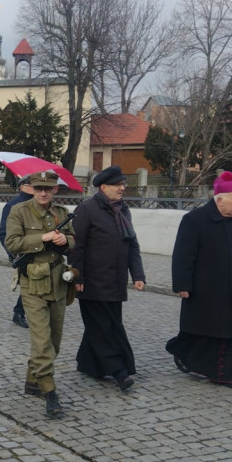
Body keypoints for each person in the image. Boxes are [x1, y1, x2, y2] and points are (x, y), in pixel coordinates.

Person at [166, 171, 232, 389]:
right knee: (201, 330)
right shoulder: (194, 220)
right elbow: (182, 255)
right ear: (220, 199)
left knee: (229, 332)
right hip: (203, 289)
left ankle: (225, 374)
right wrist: (182, 284)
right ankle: (186, 353)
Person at [3, 171, 76, 419]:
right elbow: (12, 242)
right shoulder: (20, 211)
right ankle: (50, 392)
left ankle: (32, 381)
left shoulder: (63, 214)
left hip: (58, 283)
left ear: (55, 189)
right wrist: (43, 238)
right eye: (39, 188)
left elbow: (74, 241)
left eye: (48, 188)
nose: (43, 193)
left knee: (54, 341)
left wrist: (65, 239)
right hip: (33, 283)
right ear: (31, 188)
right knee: (42, 341)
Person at [70, 165, 146, 392]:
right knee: (104, 328)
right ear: (103, 187)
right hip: (92, 281)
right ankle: (120, 372)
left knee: (104, 324)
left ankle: (87, 363)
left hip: (116, 280)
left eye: (123, 184)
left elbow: (132, 243)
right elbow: (77, 246)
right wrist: (77, 277)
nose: (122, 188)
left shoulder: (123, 210)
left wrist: (138, 274)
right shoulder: (87, 209)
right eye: (118, 185)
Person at [0, 176, 34, 329]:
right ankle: (19, 313)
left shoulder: (40, 204)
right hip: (21, 253)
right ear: (21, 187)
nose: (33, 187)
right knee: (30, 283)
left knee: (36, 282)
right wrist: (13, 254)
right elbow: (3, 232)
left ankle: (24, 312)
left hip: (38, 250)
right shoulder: (13, 205)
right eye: (30, 184)